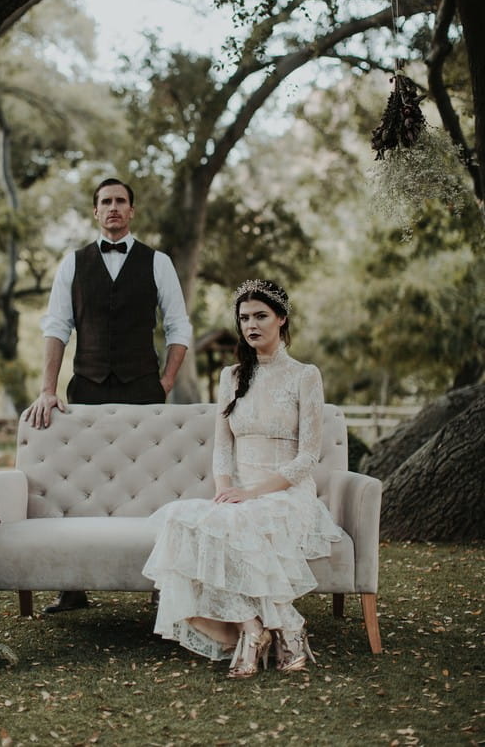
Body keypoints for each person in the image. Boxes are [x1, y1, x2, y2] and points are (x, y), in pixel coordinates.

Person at [142, 279, 342, 679]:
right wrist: (225, 493)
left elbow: (308, 458)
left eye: (260, 316)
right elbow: (222, 449)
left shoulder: (305, 375)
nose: (251, 324)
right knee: (182, 519)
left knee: (241, 521)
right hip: (239, 494)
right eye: (244, 317)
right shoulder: (231, 376)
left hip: (287, 494)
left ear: (281, 319)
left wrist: (251, 493)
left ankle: (287, 629)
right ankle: (254, 629)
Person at [24, 177, 192, 613]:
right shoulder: (72, 263)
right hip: (87, 388)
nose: (114, 208)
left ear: (132, 211)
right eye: (106, 202)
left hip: (143, 389)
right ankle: (73, 586)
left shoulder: (158, 262)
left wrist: (167, 381)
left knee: (154, 484)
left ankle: (160, 583)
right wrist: (47, 389)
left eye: (121, 201)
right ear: (95, 212)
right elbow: (57, 327)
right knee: (79, 486)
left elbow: (179, 327)